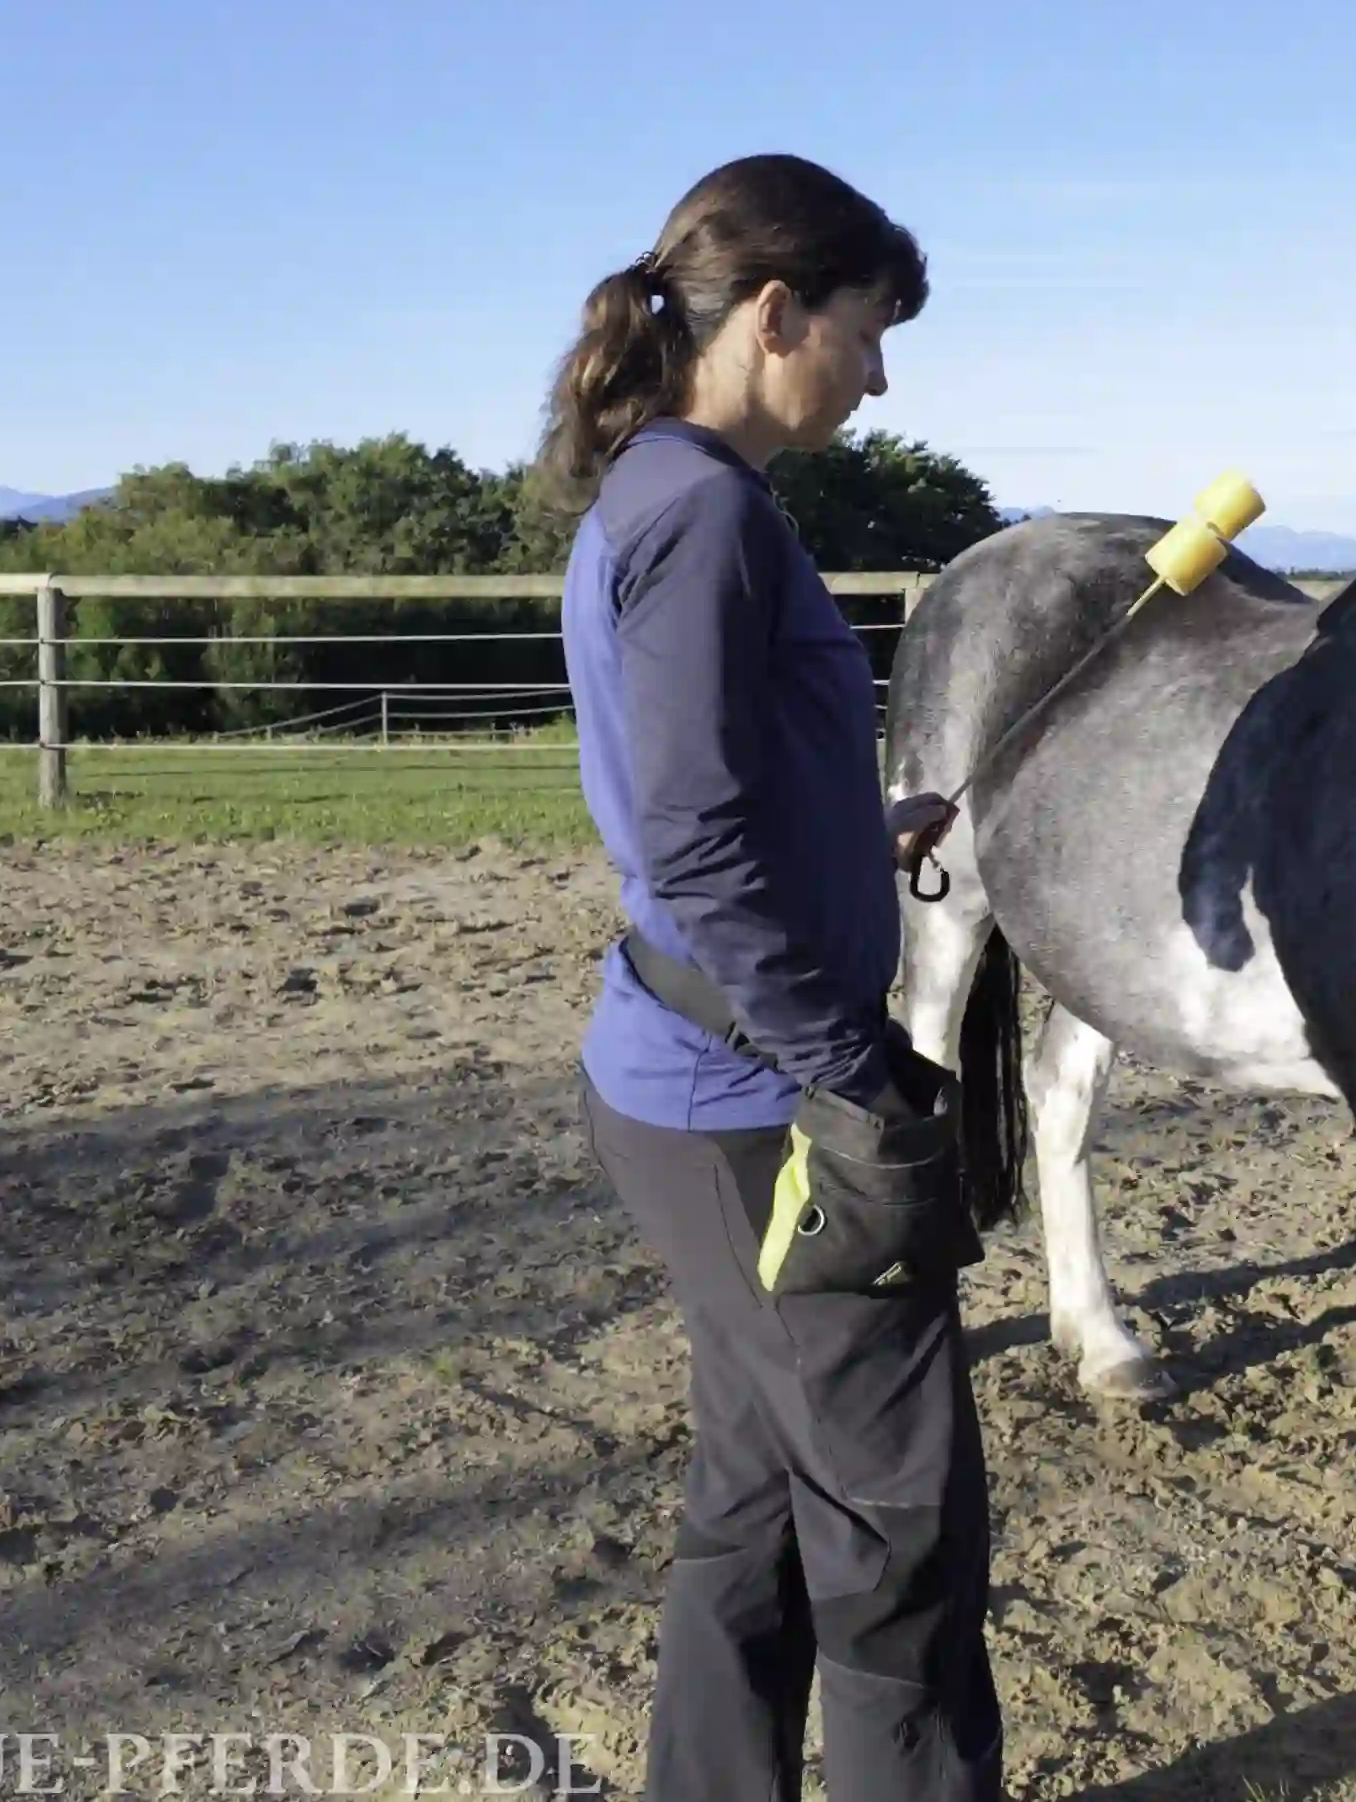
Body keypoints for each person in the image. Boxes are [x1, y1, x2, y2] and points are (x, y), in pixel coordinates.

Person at [543, 154, 996, 1802]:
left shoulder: (666, 496)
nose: (877, 377)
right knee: (899, 1531)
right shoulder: (710, 513)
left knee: (755, 1494)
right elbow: (690, 833)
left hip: (699, 1078)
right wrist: (855, 1070)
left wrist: (857, 827)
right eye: (868, 335)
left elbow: (718, 798)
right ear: (779, 311)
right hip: (756, 1099)